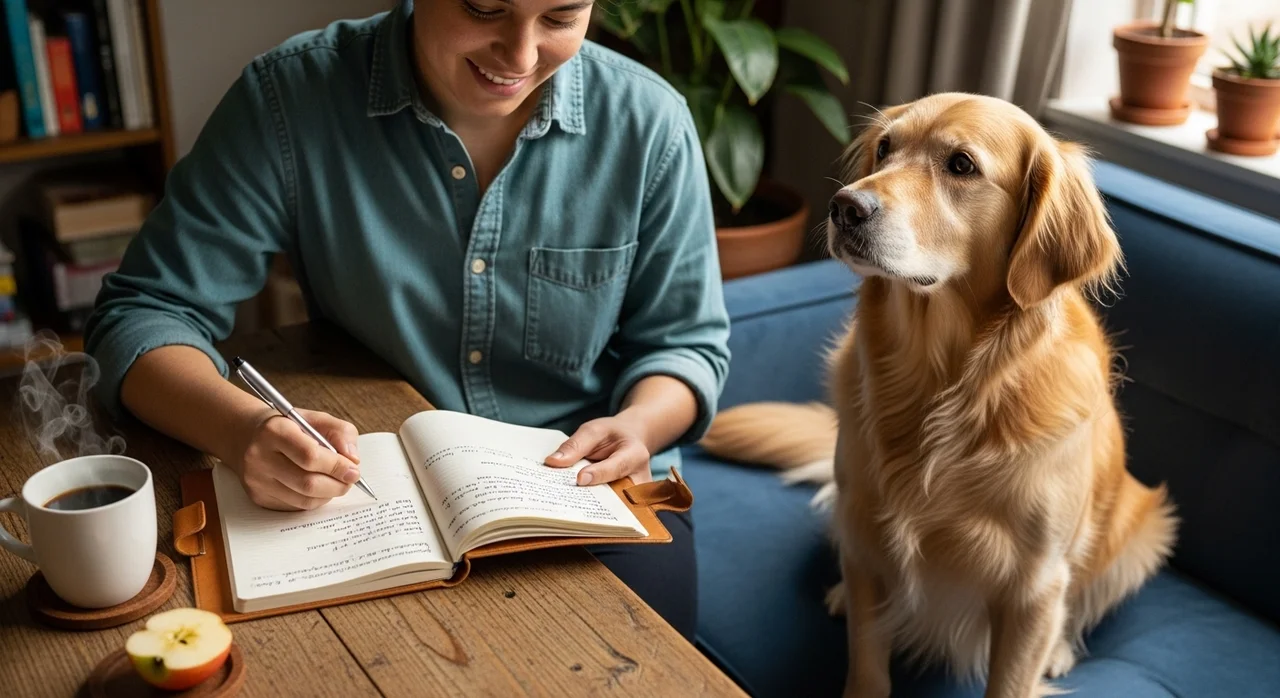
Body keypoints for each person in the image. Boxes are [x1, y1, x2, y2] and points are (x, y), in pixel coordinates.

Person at [83, 0, 730, 641]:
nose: (521, 55)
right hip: (370, 501)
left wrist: (640, 425)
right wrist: (240, 428)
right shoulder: (290, 98)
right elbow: (142, 313)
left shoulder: (649, 123)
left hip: (594, 497)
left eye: (560, 18)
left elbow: (686, 346)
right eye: (485, 8)